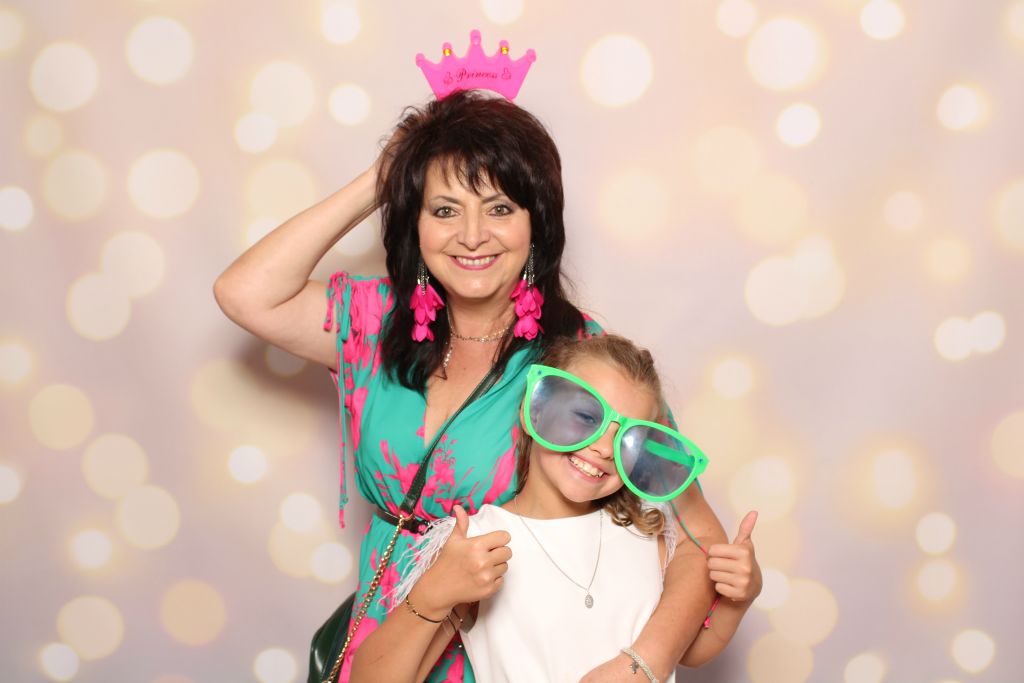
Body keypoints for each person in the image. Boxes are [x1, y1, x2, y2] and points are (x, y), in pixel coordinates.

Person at [214, 89, 741, 682]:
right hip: (391, 644)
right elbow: (245, 293)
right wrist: (387, 175)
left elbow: (697, 538)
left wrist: (643, 665)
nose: (471, 235)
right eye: (444, 210)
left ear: (536, 222)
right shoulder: (374, 323)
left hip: (519, 652)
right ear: (414, 221)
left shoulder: (580, 361)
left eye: (499, 209)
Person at [349, 335, 761, 683]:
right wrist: (433, 596)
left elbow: (694, 651)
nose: (603, 448)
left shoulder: (645, 530)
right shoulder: (478, 542)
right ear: (535, 406)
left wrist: (737, 601)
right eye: (585, 417)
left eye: (627, 438)